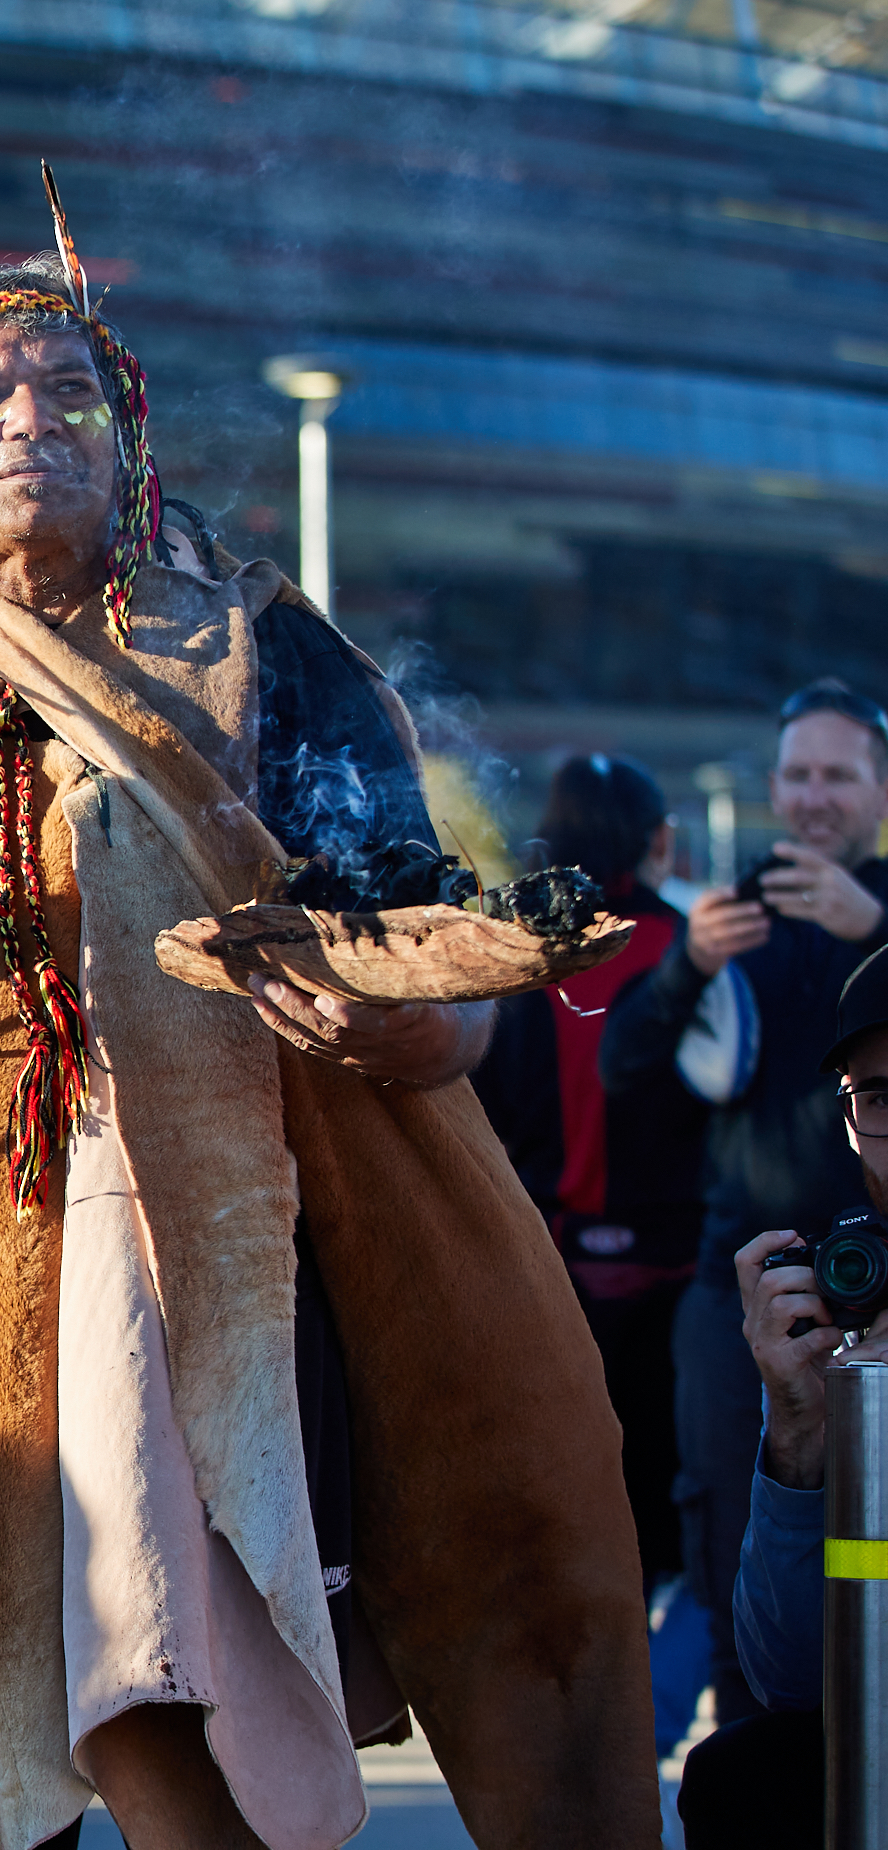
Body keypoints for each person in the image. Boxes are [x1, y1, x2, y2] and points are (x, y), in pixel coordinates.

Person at [0, 251, 656, 1846]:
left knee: (168, 1706)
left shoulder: (257, 651)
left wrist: (397, 1013)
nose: (32, 419)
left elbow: (421, 963)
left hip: (181, 1262)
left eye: (69, 390)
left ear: (129, 435)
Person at [603, 679, 888, 1723]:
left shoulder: (886, 906)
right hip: (748, 1286)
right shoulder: (728, 915)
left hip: (884, 1277)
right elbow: (624, 1067)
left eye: (839, 775)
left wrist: (877, 926)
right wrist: (688, 965)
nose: (816, 796)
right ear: (774, 785)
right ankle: (749, 1776)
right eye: (800, 774)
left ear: (879, 789)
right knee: (736, 1549)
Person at [472, 756, 706, 1595]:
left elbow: (485, 1116)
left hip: (551, 1265)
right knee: (675, 1526)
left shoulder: (515, 952)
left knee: (571, 1514)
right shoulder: (691, 950)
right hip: (677, 1273)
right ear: (653, 840)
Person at [672, 945, 888, 1844]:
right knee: (742, 1775)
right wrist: (804, 1439)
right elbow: (795, 1679)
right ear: (846, 1119)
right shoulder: (846, 1326)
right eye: (882, 1101)